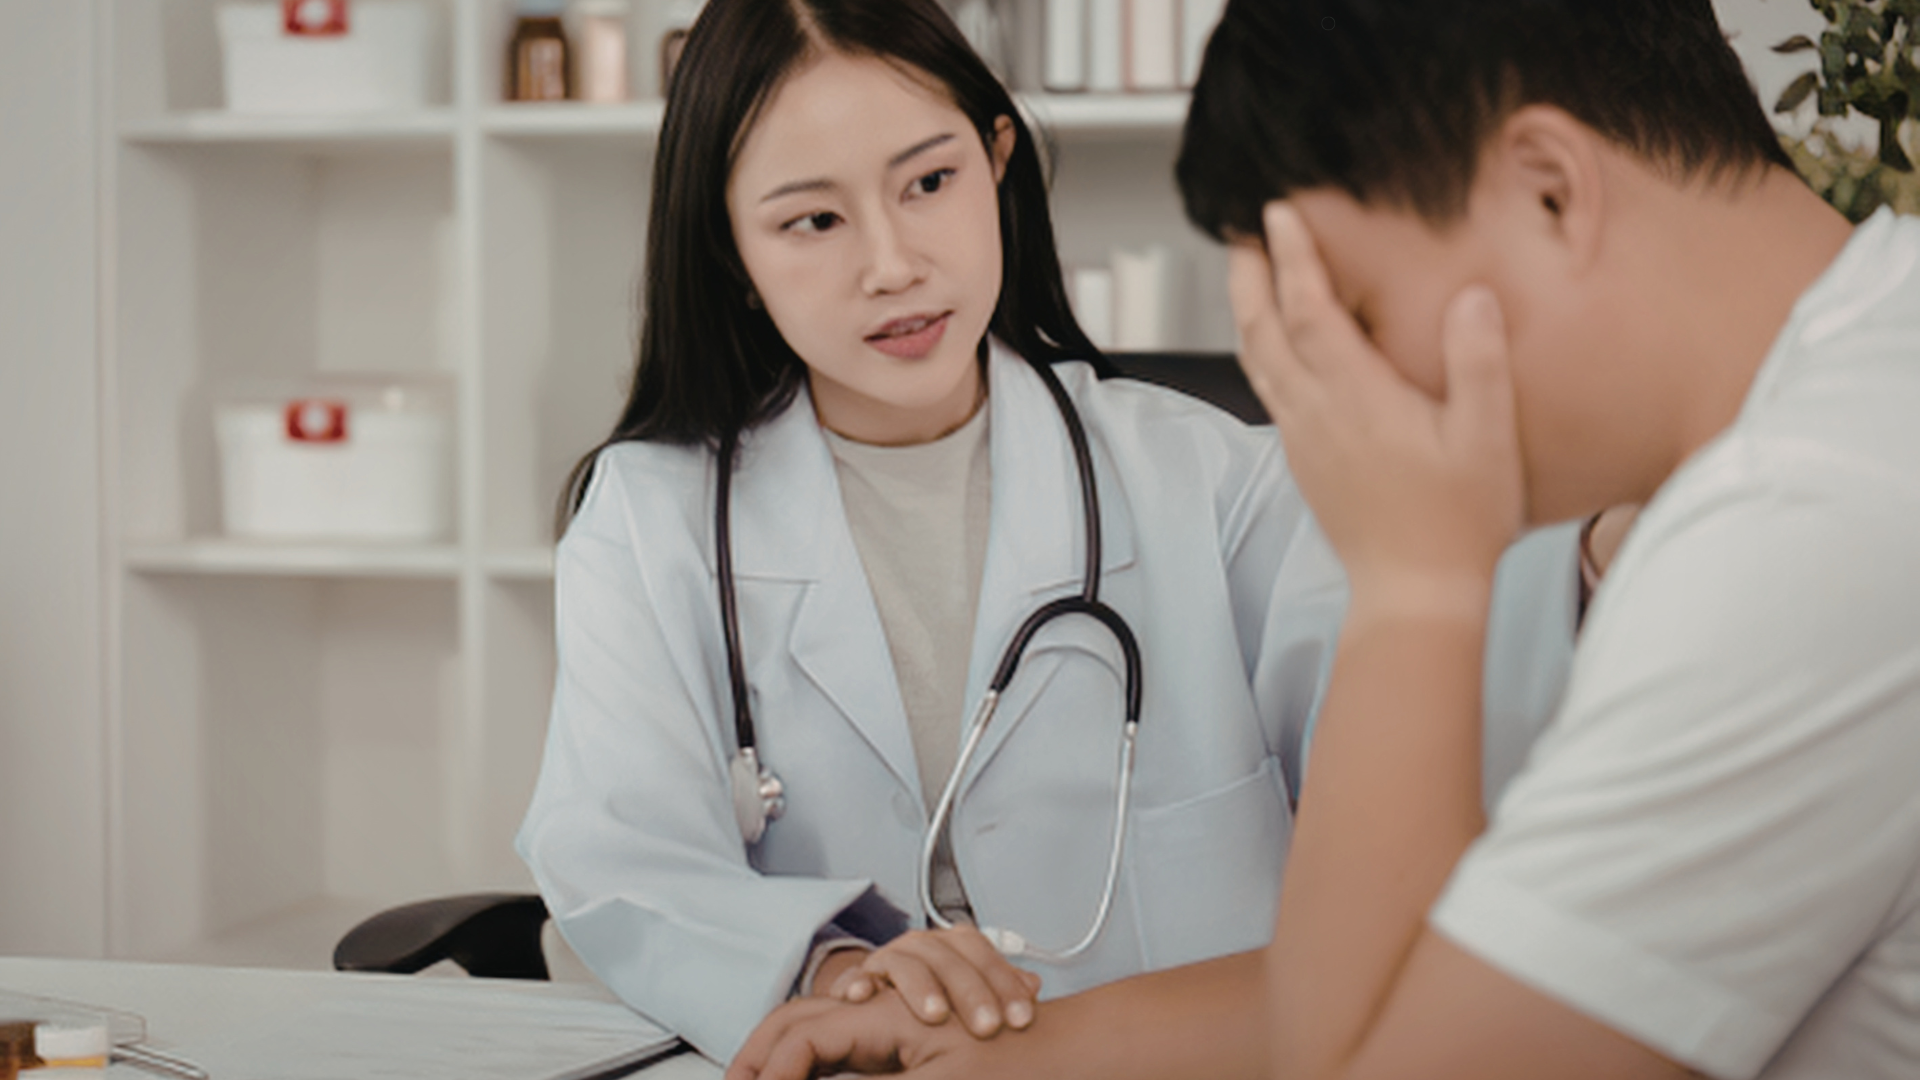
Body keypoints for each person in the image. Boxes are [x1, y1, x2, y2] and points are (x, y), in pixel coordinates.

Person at [729, 0, 1920, 1078]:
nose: (1337, 410)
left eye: (1351, 319)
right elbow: (1446, 985)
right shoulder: (1841, 403)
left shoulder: (1808, 518)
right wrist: (1004, 1052)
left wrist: (1414, 586)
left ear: (1551, 189)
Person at [517, 0, 1587, 1066]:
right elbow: (618, 853)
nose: (893, 264)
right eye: (814, 220)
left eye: (929, 183)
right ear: (731, 250)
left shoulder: (1213, 481)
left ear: (997, 164)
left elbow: (1443, 736)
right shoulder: (650, 519)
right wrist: (832, 968)